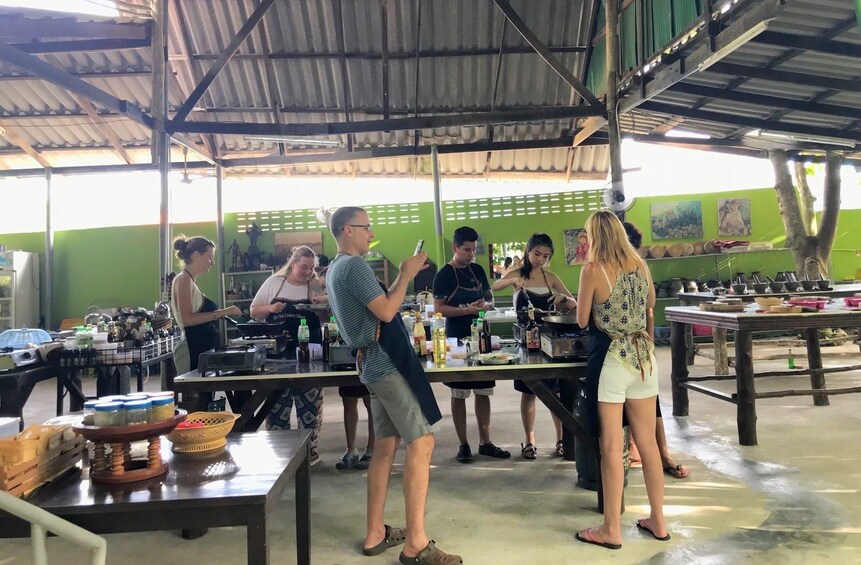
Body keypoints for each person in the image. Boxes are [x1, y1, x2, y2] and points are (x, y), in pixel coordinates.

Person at [326, 206, 461, 564]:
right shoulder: (353, 266)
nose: (371, 233)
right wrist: (404, 274)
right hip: (386, 364)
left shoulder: (334, 268)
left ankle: (375, 533)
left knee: (385, 446)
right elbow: (386, 311)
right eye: (365, 227)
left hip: (371, 364)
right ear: (345, 230)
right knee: (423, 441)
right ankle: (416, 542)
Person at [575, 210, 668, 549]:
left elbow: (583, 320)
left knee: (612, 447)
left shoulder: (592, 270)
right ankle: (658, 519)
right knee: (648, 444)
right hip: (644, 359)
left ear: (594, 235)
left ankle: (611, 529)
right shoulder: (641, 265)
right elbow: (651, 302)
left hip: (614, 359)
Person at [491, 233, 576, 460]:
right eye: (537, 254)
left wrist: (561, 299)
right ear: (528, 252)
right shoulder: (517, 274)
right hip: (525, 343)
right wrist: (511, 281)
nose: (540, 259)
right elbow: (495, 287)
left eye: (545, 256)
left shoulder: (552, 278)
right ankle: (529, 441)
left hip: (549, 342)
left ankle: (561, 440)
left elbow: (575, 305)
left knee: (555, 393)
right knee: (529, 392)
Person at [433, 226, 509, 464]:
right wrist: (466, 310)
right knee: (459, 391)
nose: (471, 254)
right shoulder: (443, 275)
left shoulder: (477, 270)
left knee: (483, 389)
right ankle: (463, 444)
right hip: (455, 338)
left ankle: (485, 442)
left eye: (474, 250)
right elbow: (438, 309)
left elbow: (490, 298)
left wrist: (484, 305)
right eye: (466, 250)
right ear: (455, 248)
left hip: (481, 337)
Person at [622, 221, 690, 479]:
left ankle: (662, 454)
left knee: (652, 402)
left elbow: (649, 308)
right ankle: (630, 449)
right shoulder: (600, 267)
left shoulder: (640, 267)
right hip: (613, 348)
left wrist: (649, 343)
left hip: (638, 346)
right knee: (619, 402)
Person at [250, 245, 326, 465]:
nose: (307, 272)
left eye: (311, 268)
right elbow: (254, 311)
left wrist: (320, 306)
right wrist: (271, 309)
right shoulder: (274, 283)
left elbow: (325, 315)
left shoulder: (314, 285)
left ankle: (308, 453)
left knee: (310, 406)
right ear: (292, 264)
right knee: (277, 407)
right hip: (277, 357)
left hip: (310, 355)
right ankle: (280, 455)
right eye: (303, 267)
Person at [319, 252, 377, 470]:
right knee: (348, 401)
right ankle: (350, 448)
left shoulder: (366, 282)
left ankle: (372, 449)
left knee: (371, 402)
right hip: (345, 345)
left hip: (367, 347)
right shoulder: (336, 277)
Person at [171, 235, 241, 374]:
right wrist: (224, 312)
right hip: (191, 349)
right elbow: (188, 319)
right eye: (210, 257)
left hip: (201, 347)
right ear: (196, 255)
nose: (212, 262)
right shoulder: (183, 279)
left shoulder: (190, 281)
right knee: (195, 395)